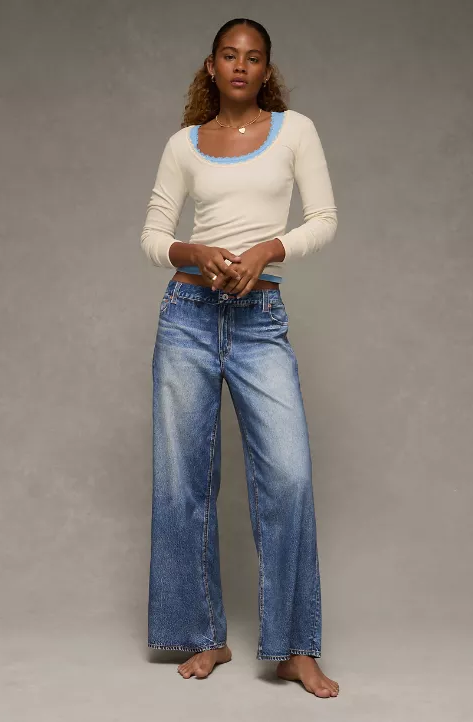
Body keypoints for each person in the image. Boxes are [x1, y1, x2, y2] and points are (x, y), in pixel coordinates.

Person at [140, 17, 339, 699]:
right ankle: (204, 635)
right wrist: (193, 251)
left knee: (288, 477)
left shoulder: (295, 131)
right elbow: (152, 236)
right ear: (211, 65)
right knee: (183, 481)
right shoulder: (184, 144)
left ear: (266, 70)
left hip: (259, 321)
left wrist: (267, 250)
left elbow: (324, 220)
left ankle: (294, 648)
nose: (240, 65)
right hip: (187, 315)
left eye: (253, 58)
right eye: (229, 55)